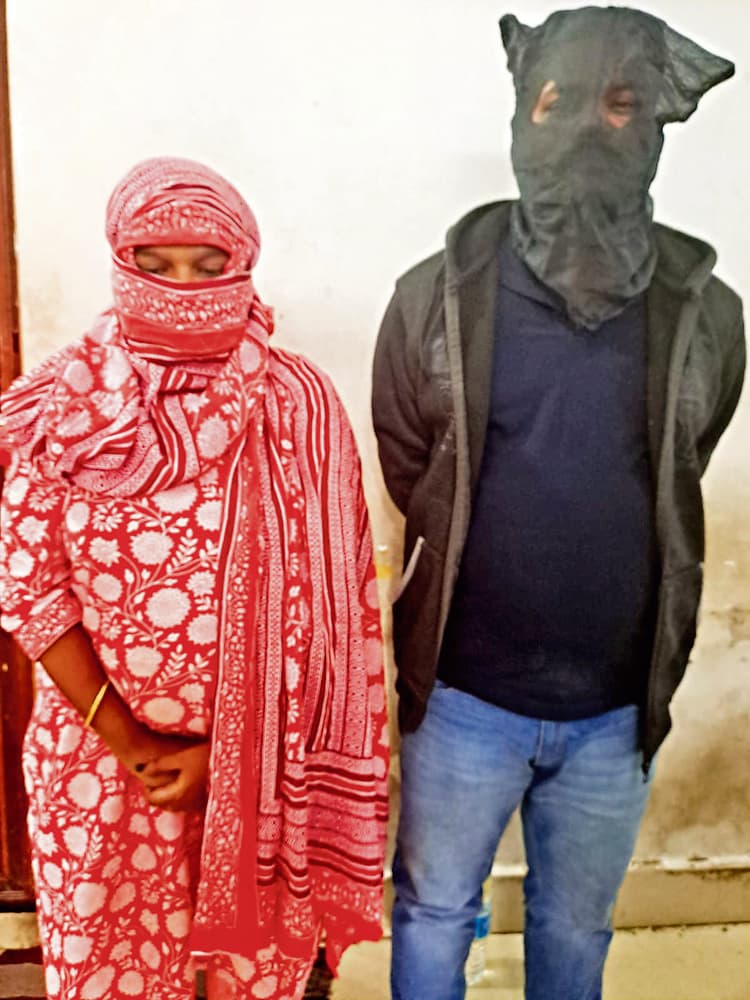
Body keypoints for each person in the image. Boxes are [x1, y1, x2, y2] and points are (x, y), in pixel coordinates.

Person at [371, 8, 744, 1000]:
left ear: (657, 124)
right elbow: (411, 462)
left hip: (615, 712)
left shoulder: (710, 313)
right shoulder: (434, 296)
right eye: (558, 102)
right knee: (433, 909)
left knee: (577, 927)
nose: (588, 129)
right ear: (520, 116)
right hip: (461, 700)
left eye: (621, 105)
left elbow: (686, 458)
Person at [0, 157, 388, 1000]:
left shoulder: (298, 404)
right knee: (112, 975)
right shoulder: (63, 405)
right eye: (156, 263)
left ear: (244, 265)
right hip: (101, 769)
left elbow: (330, 616)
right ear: (120, 260)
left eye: (208, 266)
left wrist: (235, 756)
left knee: (254, 982)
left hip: (266, 777)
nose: (182, 288)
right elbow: (30, 591)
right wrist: (135, 747)